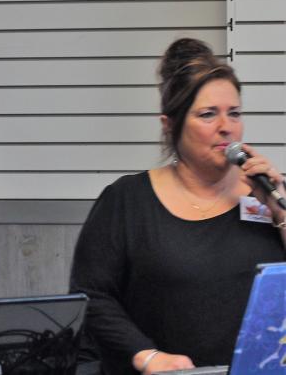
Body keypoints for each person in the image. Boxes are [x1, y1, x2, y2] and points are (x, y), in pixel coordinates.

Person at [70, 38, 286, 375]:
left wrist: (280, 212)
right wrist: (147, 356)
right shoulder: (127, 200)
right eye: (207, 114)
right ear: (170, 125)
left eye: (234, 113)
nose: (225, 126)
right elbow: (91, 297)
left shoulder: (268, 196)